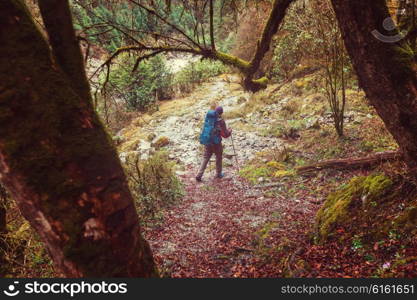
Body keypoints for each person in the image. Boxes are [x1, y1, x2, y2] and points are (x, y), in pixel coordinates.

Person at [196, 106, 232, 182]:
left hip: (207, 142)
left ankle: (199, 174)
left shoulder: (209, 119)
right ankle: (218, 173)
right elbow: (225, 135)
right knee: (218, 157)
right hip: (216, 143)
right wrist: (230, 131)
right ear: (221, 113)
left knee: (205, 157)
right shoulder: (221, 121)